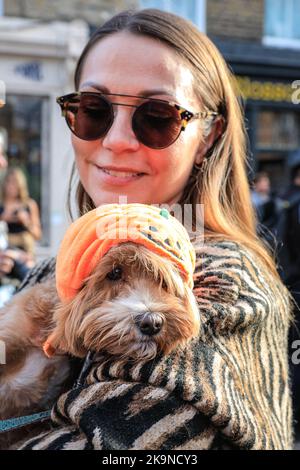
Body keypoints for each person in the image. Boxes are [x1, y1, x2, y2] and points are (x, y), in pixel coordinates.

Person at [9, 9, 293, 450]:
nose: (116, 139)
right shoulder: (55, 268)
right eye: (93, 109)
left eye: (158, 116)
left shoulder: (220, 283)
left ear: (209, 137)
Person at [0, 167, 42, 257]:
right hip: (4, 253)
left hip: (24, 252)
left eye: (15, 182)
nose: (11, 186)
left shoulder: (29, 205)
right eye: (8, 182)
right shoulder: (1, 205)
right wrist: (3, 218)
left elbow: (37, 235)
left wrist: (26, 222)